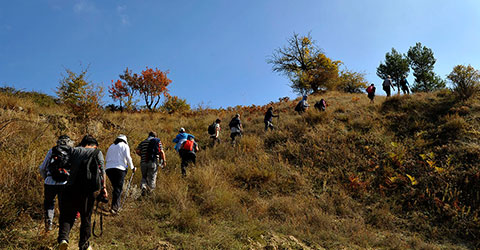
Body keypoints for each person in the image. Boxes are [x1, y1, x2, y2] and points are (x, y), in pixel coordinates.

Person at [57, 135, 107, 250]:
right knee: (86, 217)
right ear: (95, 145)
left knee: (67, 216)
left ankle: (63, 239)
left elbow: (65, 166)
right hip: (87, 191)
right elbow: (101, 170)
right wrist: (103, 188)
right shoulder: (97, 152)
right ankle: (84, 245)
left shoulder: (74, 151)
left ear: (83, 143)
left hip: (70, 188)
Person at [38, 135, 73, 231]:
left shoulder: (52, 151)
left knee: (49, 204)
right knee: (64, 206)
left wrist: (47, 178)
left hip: (50, 182)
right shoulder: (72, 151)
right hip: (65, 183)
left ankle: (48, 226)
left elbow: (42, 168)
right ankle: (63, 230)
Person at [105, 135, 135, 214]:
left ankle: (114, 206)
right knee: (118, 188)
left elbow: (106, 158)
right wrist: (132, 167)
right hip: (119, 169)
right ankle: (115, 208)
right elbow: (128, 157)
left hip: (109, 169)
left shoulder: (111, 146)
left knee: (115, 188)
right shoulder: (125, 146)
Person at [136, 132, 166, 196]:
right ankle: (150, 194)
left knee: (144, 177)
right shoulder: (157, 141)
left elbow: (137, 151)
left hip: (143, 163)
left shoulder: (143, 142)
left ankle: (143, 188)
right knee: (152, 178)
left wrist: (142, 155)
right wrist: (164, 161)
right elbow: (161, 152)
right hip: (153, 162)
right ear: (155, 136)